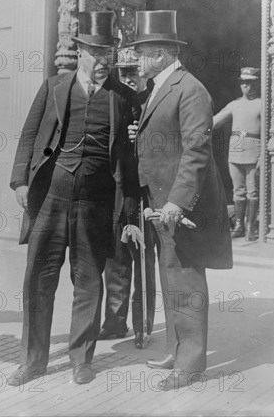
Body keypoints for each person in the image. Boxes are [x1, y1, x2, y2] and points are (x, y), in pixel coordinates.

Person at [7, 12, 140, 386]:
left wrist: (129, 210)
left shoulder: (123, 98)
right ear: (80, 51)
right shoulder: (53, 87)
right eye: (95, 53)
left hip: (96, 201)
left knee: (88, 280)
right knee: (39, 279)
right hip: (51, 195)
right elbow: (29, 135)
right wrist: (20, 182)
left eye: (108, 54)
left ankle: (82, 359)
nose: (102, 62)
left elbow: (130, 160)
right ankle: (33, 360)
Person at [129, 10, 233, 390]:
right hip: (161, 203)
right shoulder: (161, 87)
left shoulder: (190, 89)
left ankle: (189, 365)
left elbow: (196, 151)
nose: (136, 60)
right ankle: (178, 349)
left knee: (185, 280)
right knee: (171, 276)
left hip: (179, 206)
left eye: (141, 53)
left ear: (159, 54)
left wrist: (176, 203)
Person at [98, 48, 156, 349]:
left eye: (134, 72)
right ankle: (115, 322)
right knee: (116, 258)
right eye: (124, 73)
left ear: (143, 73)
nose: (129, 78)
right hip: (119, 191)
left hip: (146, 193)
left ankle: (143, 327)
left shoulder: (155, 99)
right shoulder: (115, 101)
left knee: (142, 258)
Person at [213, 67, 262, 241]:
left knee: (253, 191)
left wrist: (262, 156)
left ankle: (251, 226)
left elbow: (267, 131)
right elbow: (214, 122)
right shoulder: (235, 104)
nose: (246, 86)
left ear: (256, 83)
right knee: (238, 191)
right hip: (235, 151)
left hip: (253, 150)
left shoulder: (261, 104)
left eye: (249, 82)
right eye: (243, 82)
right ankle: (240, 225)